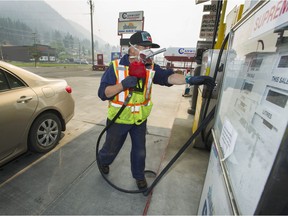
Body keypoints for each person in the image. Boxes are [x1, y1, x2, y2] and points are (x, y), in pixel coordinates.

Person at [97, 31, 215, 190]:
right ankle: (103, 161)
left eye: (150, 47)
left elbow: (169, 77)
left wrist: (190, 79)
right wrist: (122, 85)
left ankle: (139, 176)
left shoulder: (150, 67)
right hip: (119, 119)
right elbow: (103, 93)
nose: (149, 50)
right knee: (111, 149)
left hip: (139, 119)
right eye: (144, 46)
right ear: (132, 48)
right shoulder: (116, 67)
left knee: (140, 151)